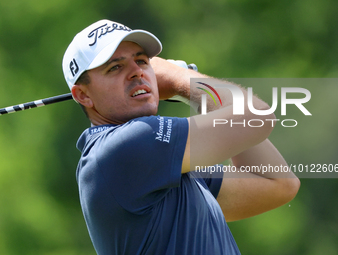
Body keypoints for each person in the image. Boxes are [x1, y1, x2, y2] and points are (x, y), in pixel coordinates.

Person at [62, 19, 300, 255]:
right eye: (115, 67)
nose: (137, 72)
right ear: (83, 95)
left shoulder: (162, 166)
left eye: (142, 61)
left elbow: (277, 183)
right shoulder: (126, 146)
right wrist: (181, 78)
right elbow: (257, 117)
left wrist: (193, 93)